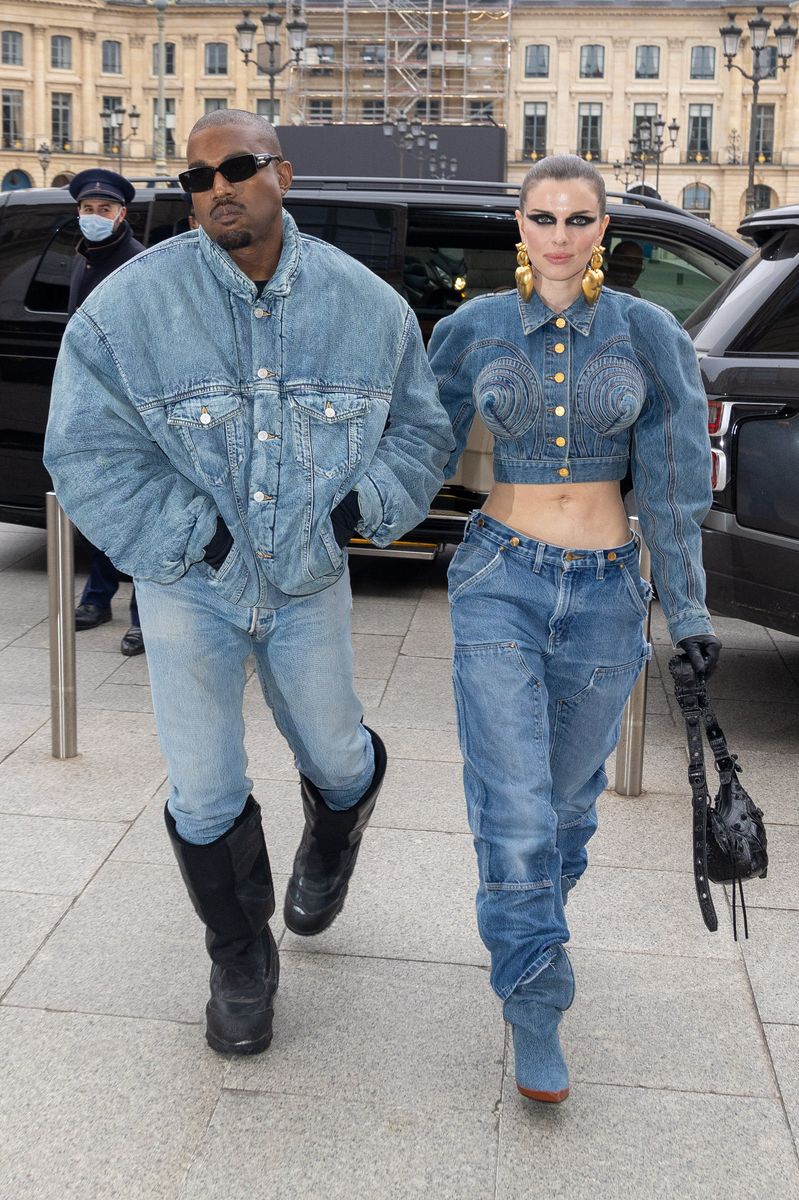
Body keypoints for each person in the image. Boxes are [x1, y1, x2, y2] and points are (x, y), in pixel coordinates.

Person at [45, 111, 453, 1056]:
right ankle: (239, 957)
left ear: (283, 174)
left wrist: (359, 513)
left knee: (339, 756)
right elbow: (85, 453)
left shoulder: (368, 306)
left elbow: (422, 434)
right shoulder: (127, 309)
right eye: (195, 178)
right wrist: (200, 539)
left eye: (235, 168)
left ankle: (335, 830)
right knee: (203, 789)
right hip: (189, 586)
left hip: (312, 579)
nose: (215, 188)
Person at [428, 155, 721, 1105]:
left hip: (604, 593)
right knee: (514, 811)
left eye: (578, 219)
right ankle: (535, 999)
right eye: (542, 217)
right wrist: (335, 516)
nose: (559, 235)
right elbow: (416, 437)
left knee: (563, 815)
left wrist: (689, 606)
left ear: (606, 231)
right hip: (498, 579)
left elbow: (674, 485)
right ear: (519, 225)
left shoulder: (648, 334)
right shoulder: (472, 328)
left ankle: (527, 924)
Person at [67, 168, 146, 657]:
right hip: (92, 401)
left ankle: (143, 614)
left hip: (130, 407)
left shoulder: (136, 263)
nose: (95, 218)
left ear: (122, 214)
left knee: (138, 508)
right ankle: (98, 596)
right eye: (87, 210)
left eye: (105, 210)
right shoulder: (83, 257)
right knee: (100, 506)